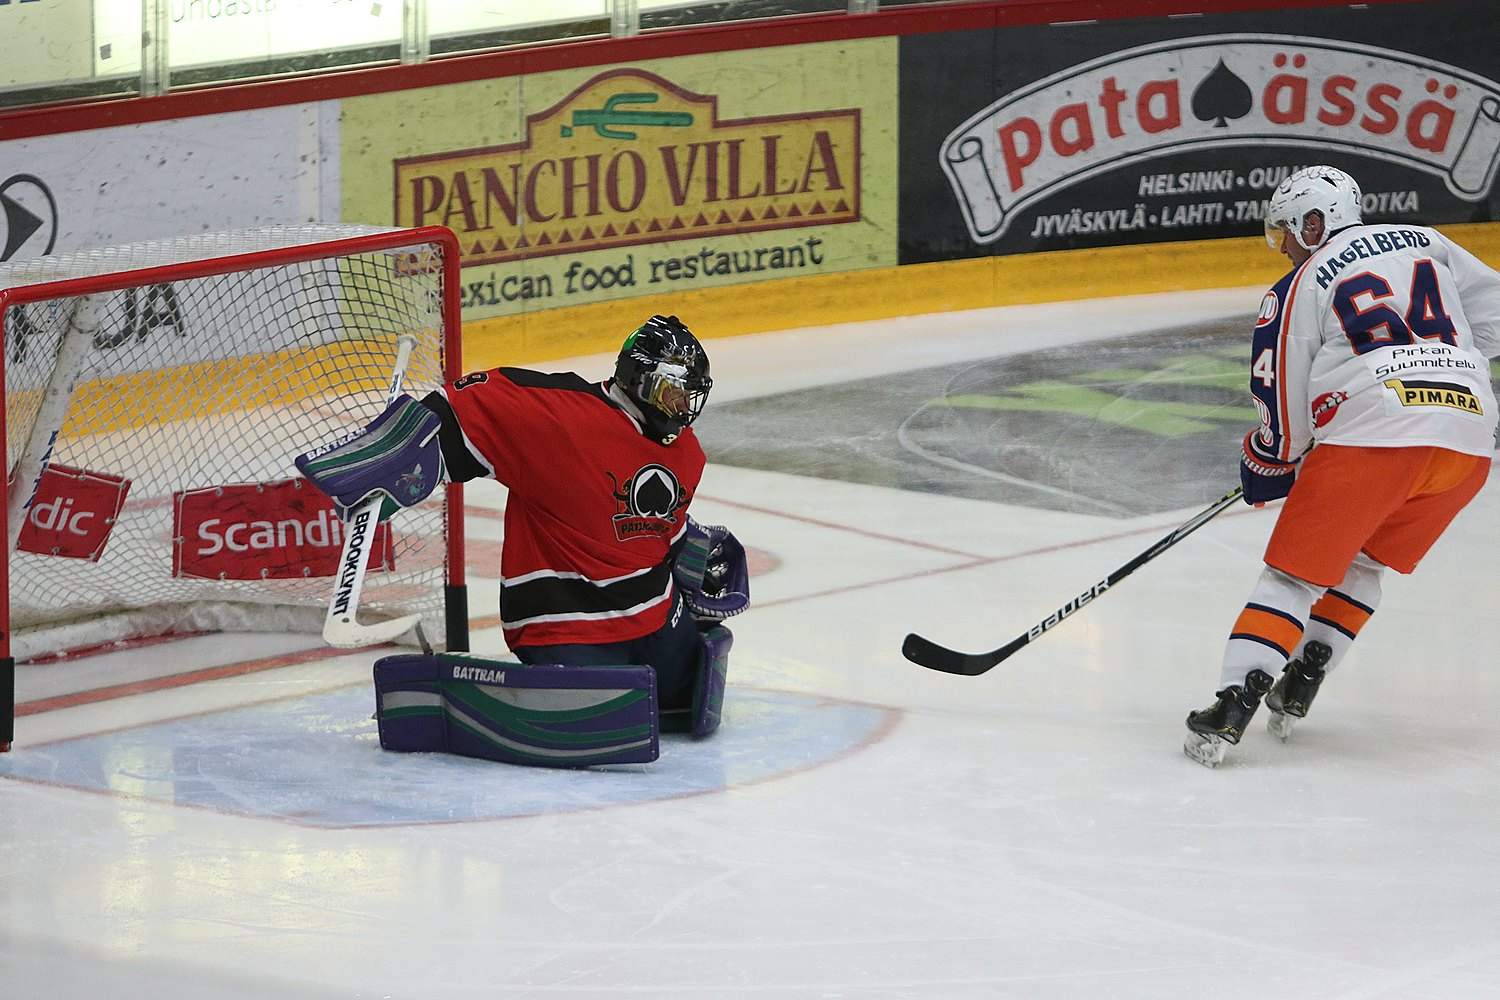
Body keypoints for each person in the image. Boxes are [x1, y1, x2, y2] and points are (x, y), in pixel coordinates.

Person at [298, 313, 749, 738]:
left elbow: (631, 526)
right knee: (606, 717)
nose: (683, 407)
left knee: (689, 701)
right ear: (640, 381)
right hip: (567, 623)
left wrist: (688, 547)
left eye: (690, 394)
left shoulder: (687, 453)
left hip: (652, 614)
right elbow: (467, 406)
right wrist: (399, 455)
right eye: (673, 391)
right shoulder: (559, 418)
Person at [1184, 165, 1500, 767]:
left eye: (1286, 234)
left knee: (1293, 578)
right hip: (1469, 438)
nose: (1283, 249)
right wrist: (1441, 367)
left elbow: (1281, 390)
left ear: (1312, 222)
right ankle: (1304, 676)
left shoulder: (1301, 283)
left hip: (1376, 437)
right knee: (1366, 563)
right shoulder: (1428, 241)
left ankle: (1231, 704)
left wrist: (1270, 459)